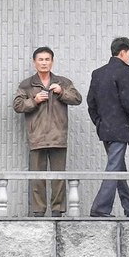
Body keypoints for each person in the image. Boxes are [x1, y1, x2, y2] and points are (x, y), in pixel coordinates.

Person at [13, 46, 83, 217]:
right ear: (34, 62)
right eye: (40, 60)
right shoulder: (27, 84)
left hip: (58, 136)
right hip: (36, 136)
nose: (44, 63)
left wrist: (62, 92)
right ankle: (38, 211)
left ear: (52, 61)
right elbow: (17, 105)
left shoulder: (63, 82)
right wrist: (34, 100)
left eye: (47, 59)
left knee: (58, 177)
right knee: (37, 177)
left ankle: (58, 211)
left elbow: (77, 99)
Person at [87, 37, 129, 218]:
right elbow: (127, 103)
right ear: (123, 52)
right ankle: (100, 208)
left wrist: (99, 123)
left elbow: (90, 103)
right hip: (119, 130)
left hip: (105, 129)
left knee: (117, 167)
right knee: (113, 167)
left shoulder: (97, 73)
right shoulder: (124, 72)